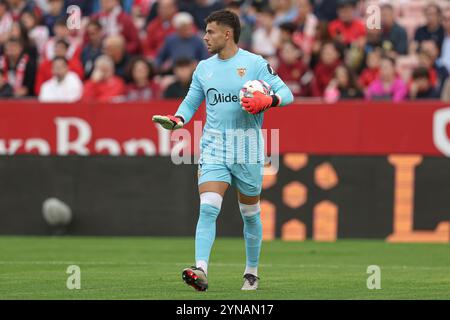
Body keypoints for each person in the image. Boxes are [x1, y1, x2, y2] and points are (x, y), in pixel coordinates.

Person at [152, 9, 293, 292]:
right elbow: (191, 102)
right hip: (214, 149)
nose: (204, 37)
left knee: (250, 213)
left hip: (248, 151)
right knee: (208, 209)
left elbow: (287, 94)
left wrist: (269, 101)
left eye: (210, 32)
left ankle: (251, 272)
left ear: (227, 34)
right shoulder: (204, 68)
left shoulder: (254, 64)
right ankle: (200, 269)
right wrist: (178, 120)